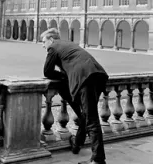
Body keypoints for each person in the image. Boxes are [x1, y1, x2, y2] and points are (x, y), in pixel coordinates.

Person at [41, 28, 109, 164]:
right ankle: (77, 144)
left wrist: (63, 75)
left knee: (91, 120)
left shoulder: (53, 47)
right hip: (98, 74)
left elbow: (47, 72)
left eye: (43, 41)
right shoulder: (68, 45)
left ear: (51, 39)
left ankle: (98, 160)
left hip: (85, 77)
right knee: (86, 116)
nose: (43, 45)